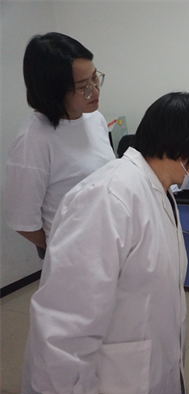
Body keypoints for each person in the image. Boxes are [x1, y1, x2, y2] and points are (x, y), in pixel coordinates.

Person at [21, 92, 189, 394]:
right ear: (185, 149)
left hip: (151, 368)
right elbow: (64, 328)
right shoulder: (106, 199)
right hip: (113, 385)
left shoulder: (158, 190)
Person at [4, 32, 115, 258]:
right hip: (74, 256)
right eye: (83, 86)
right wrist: (64, 247)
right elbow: (22, 221)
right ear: (52, 91)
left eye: (95, 78)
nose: (95, 90)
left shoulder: (95, 119)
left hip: (109, 243)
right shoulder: (33, 140)